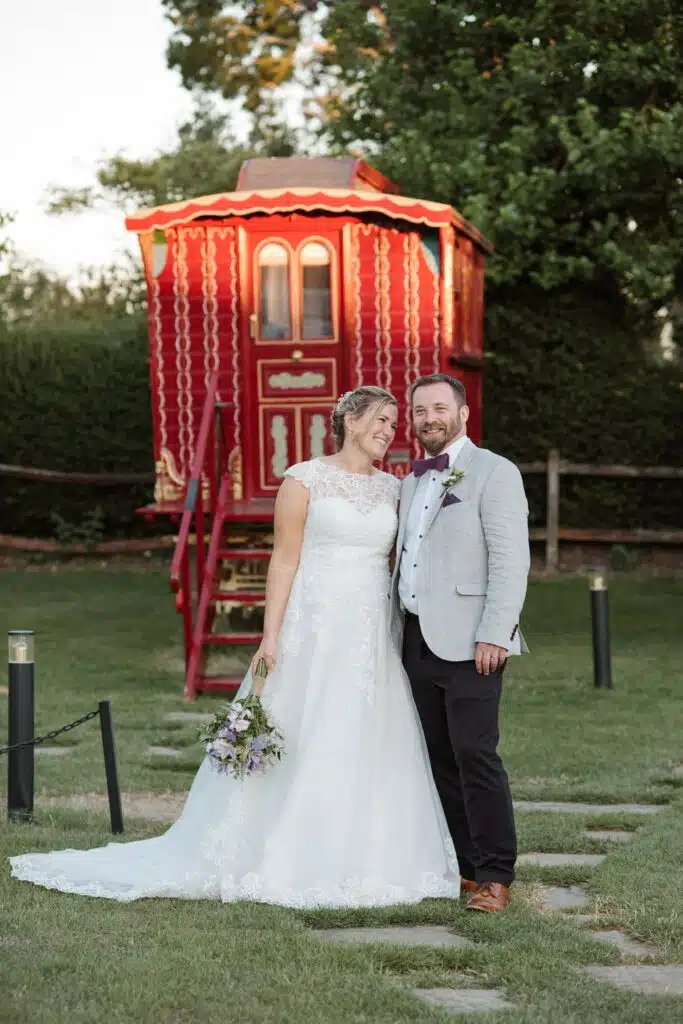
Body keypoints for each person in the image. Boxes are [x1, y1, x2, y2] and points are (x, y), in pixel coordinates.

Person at [10, 386, 460, 907]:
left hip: (370, 635)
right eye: (381, 420)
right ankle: (283, 850)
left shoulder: (393, 490)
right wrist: (271, 636)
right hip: (312, 629)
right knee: (304, 728)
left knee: (368, 732)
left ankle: (372, 856)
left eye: (393, 422)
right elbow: (284, 562)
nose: (389, 430)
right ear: (351, 421)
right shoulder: (304, 480)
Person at [392, 373, 530, 913]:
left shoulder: (496, 472)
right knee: (439, 757)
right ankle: (467, 868)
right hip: (416, 640)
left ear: (463, 413)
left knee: (476, 754)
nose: (430, 418)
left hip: (475, 643)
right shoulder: (408, 482)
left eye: (440, 408)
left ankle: (497, 875)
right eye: (420, 410)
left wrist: (496, 632)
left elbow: (511, 560)